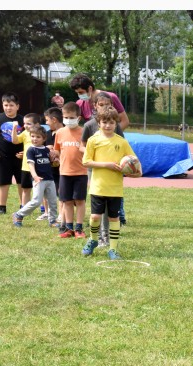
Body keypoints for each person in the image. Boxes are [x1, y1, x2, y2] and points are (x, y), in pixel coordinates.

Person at [81, 106, 136, 260]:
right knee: (95, 217)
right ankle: (93, 240)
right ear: (99, 123)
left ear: (116, 124)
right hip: (98, 186)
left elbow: (133, 161)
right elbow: (86, 161)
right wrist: (106, 165)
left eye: (111, 122)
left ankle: (113, 249)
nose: (108, 125)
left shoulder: (122, 142)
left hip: (115, 188)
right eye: (104, 122)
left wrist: (134, 170)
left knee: (114, 218)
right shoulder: (93, 140)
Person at [82, 92, 126, 246]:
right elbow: (83, 149)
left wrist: (126, 165)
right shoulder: (89, 126)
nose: (105, 107)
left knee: (110, 207)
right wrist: (94, 156)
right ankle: (97, 236)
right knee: (97, 207)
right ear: (95, 106)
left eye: (108, 105)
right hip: (95, 171)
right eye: (101, 104)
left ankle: (106, 235)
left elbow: (121, 148)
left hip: (113, 172)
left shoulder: (115, 126)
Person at [0, 92, 25, 214]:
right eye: (6, 105)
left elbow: (31, 137)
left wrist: (26, 152)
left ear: (17, 106)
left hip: (20, 157)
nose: (8, 107)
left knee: (21, 182)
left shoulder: (23, 119)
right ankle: (2, 207)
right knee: (3, 182)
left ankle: (22, 206)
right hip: (2, 157)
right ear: (2, 105)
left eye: (11, 105)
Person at [11, 124, 58, 228]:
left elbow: (50, 163)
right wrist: (35, 176)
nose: (35, 139)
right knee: (36, 201)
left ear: (44, 138)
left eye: (38, 137)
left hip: (49, 179)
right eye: (32, 136)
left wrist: (54, 161)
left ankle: (53, 220)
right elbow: (31, 165)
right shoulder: (31, 150)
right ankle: (18, 214)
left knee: (53, 201)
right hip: (39, 180)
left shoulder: (46, 150)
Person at [54, 102, 88, 239]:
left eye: (71, 117)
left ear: (78, 118)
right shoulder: (60, 132)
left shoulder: (84, 132)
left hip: (80, 173)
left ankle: (79, 228)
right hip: (64, 173)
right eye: (66, 117)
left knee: (80, 201)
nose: (68, 120)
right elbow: (57, 150)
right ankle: (69, 228)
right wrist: (54, 157)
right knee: (66, 201)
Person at [11, 113, 41, 209]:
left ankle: (44, 209)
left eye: (28, 124)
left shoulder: (43, 134)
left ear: (37, 124)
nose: (25, 126)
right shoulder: (25, 133)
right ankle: (24, 208)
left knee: (42, 190)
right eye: (24, 123)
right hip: (26, 167)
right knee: (26, 189)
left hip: (39, 168)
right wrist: (14, 129)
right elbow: (15, 141)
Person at [44, 107, 64, 224]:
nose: (46, 123)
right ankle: (50, 213)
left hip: (64, 168)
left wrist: (59, 157)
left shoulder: (67, 132)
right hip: (51, 170)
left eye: (47, 120)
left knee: (62, 192)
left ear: (54, 119)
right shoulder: (47, 134)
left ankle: (62, 215)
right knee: (51, 192)